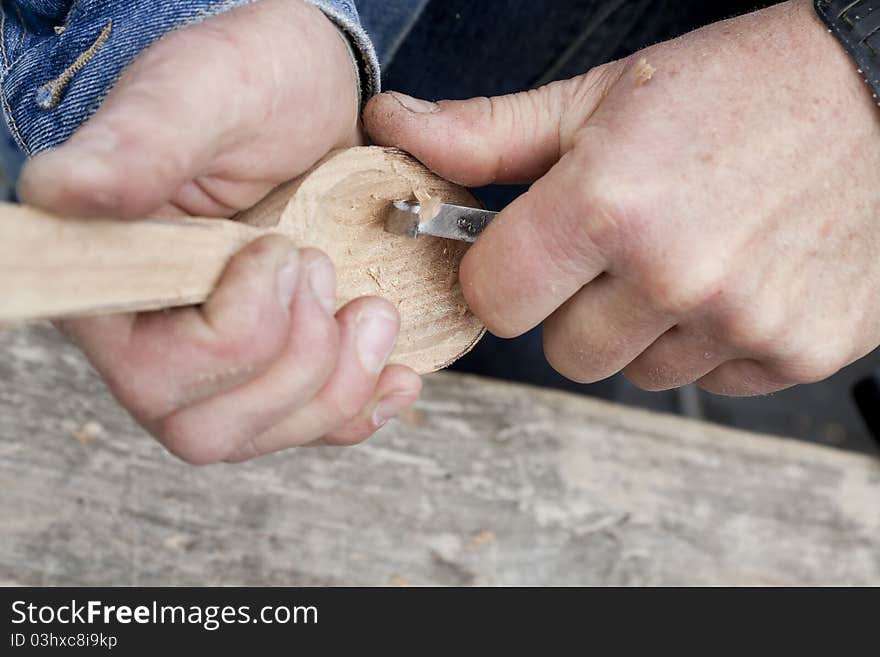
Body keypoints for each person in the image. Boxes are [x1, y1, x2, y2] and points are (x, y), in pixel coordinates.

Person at [2, 0, 877, 463]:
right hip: (360, 72)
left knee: (557, 365)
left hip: (689, 220)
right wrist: (198, 19)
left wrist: (860, 80)